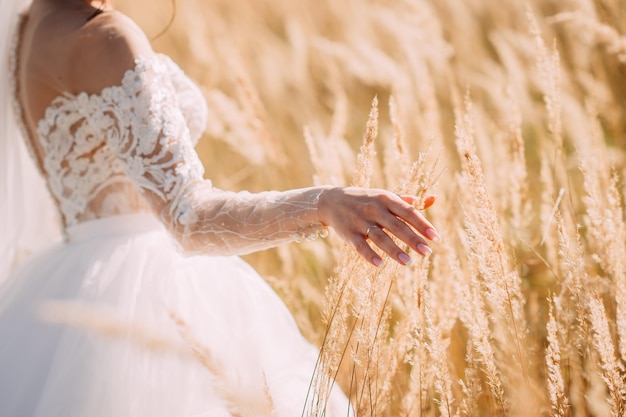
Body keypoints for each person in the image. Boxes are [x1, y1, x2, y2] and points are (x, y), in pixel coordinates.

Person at [0, 0, 440, 415]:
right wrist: (325, 204)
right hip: (152, 297)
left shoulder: (31, 24)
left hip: (70, 290)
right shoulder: (104, 36)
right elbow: (190, 218)